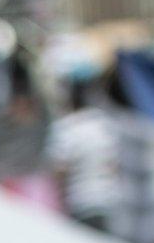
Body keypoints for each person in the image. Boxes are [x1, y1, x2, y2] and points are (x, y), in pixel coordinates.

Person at [45, 76, 124, 234]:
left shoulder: (66, 127)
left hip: (80, 205)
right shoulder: (107, 125)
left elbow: (59, 171)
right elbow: (116, 165)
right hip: (111, 205)